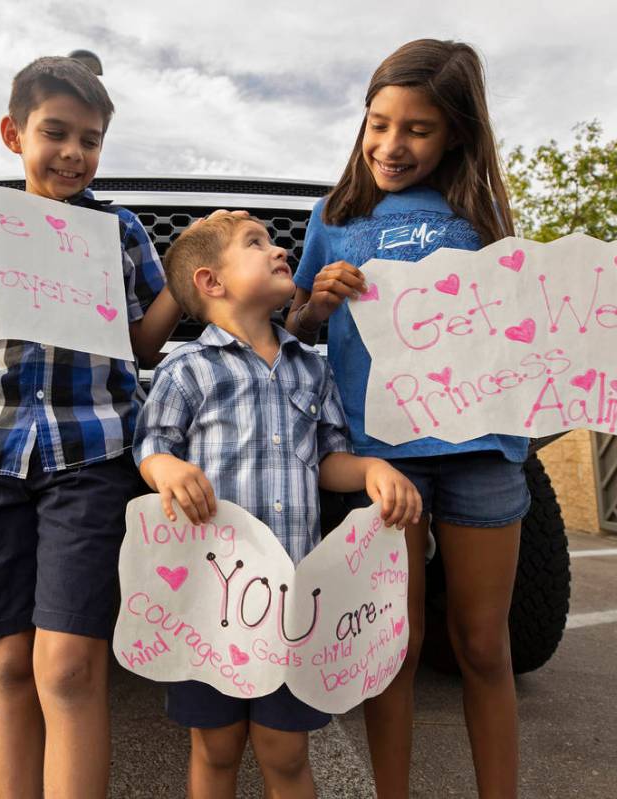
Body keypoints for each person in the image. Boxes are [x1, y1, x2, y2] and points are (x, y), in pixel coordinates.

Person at [283, 39, 617, 798]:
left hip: (483, 451)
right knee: (395, 643)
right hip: (385, 455)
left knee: (484, 644)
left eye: (415, 129)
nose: (389, 144)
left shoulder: (480, 217)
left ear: (455, 132)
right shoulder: (335, 214)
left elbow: (559, 304)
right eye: (377, 123)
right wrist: (316, 300)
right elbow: (301, 329)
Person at [0, 56, 181, 797]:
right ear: (13, 133)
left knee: (68, 662)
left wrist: (185, 281)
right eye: (55, 132)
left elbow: (143, 345)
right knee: (3, 660)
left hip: (92, 450)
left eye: (90, 139)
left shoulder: (119, 231)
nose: (72, 152)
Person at [133, 212, 422, 798]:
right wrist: (166, 468)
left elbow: (329, 460)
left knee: (285, 752)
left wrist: (371, 469)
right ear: (212, 283)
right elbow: (152, 444)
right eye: (256, 243)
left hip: (290, 603)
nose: (279, 248)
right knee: (214, 749)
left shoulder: (310, 370)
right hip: (208, 603)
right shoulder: (186, 368)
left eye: (274, 239)